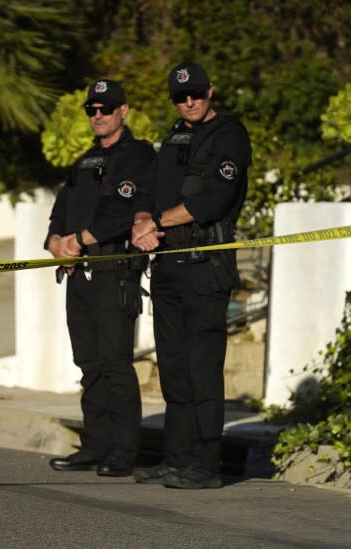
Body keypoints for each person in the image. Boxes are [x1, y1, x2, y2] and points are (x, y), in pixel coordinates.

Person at [131, 62, 251, 489]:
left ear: (210, 91)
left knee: (202, 370)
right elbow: (148, 190)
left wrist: (156, 222)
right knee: (174, 371)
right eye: (182, 97)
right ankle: (176, 459)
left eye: (197, 94)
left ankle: (206, 465)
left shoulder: (229, 135)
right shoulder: (175, 135)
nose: (190, 101)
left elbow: (213, 200)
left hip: (205, 266)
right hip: (167, 266)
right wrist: (142, 220)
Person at [46, 79, 155, 477]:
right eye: (92, 110)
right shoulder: (84, 161)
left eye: (105, 109)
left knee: (115, 364)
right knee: (89, 364)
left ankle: (123, 452)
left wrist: (80, 239)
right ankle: (94, 446)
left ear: (123, 111)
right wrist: (57, 241)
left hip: (113, 271)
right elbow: (61, 208)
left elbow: (124, 211)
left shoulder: (138, 156)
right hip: (79, 275)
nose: (97, 116)